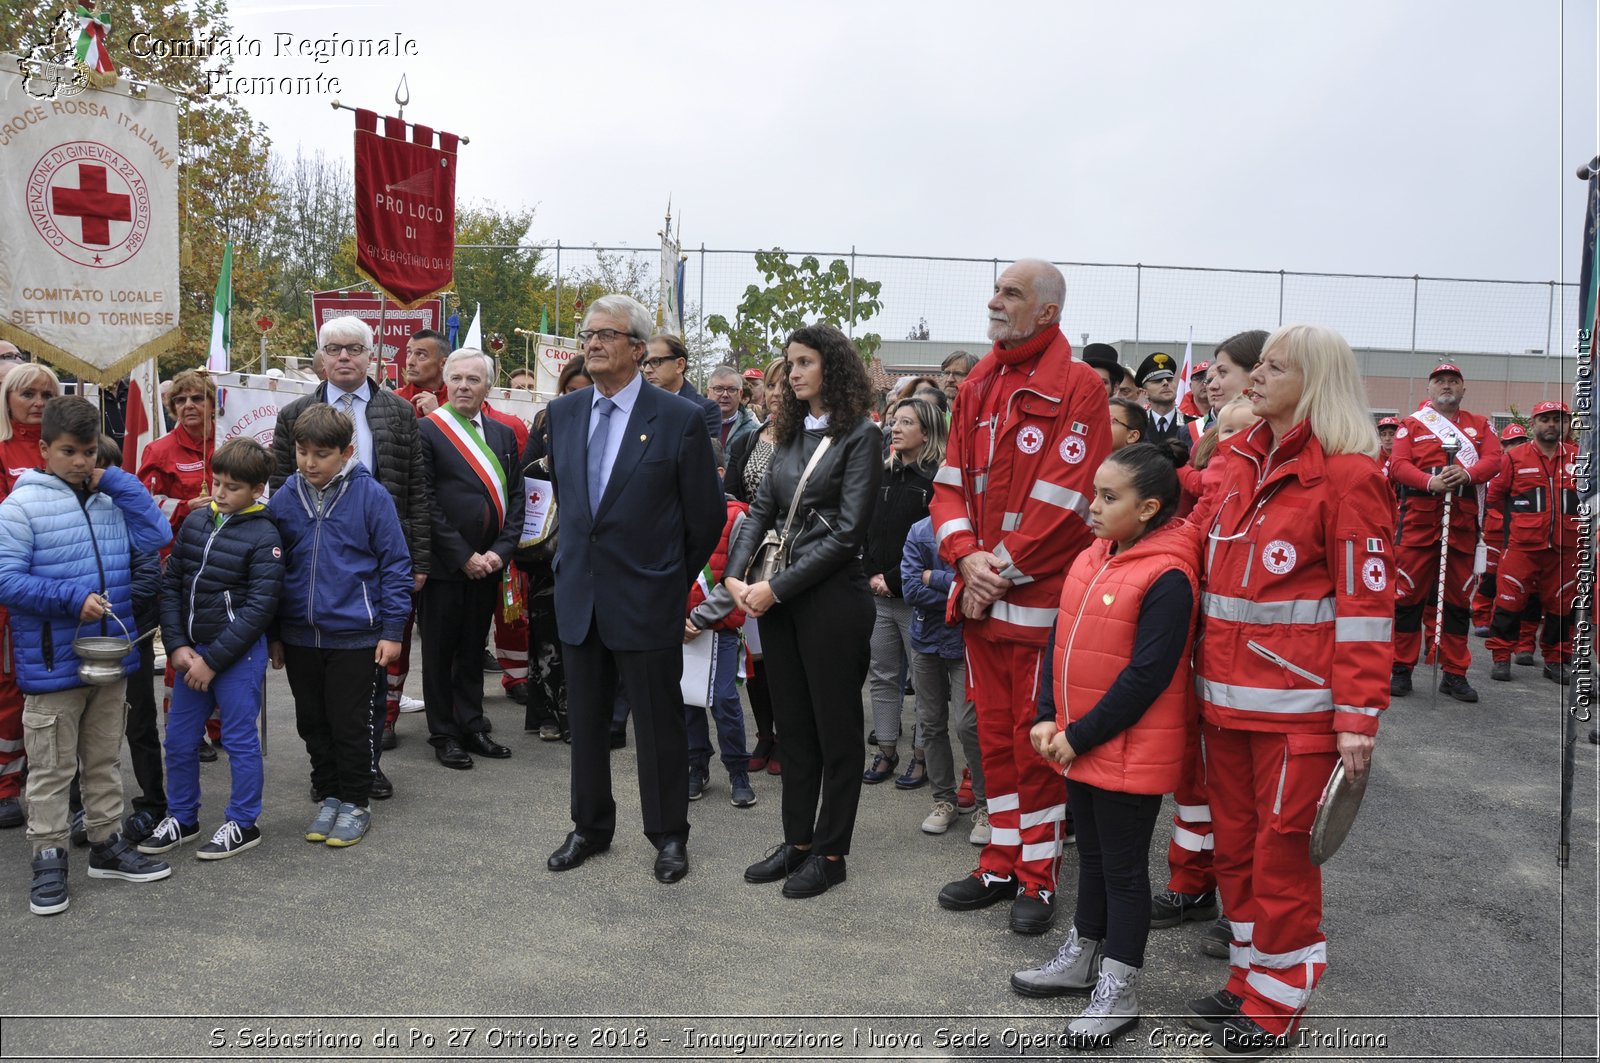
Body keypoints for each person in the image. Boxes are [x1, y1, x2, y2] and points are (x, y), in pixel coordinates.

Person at [1185, 324, 1392, 1057]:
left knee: (1281, 856)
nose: (1254, 376)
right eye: (1259, 363)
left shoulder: (1350, 476)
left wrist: (1358, 717)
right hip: (1223, 701)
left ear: (1316, 381)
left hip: (1298, 713)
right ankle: (1250, 977)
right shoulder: (1236, 458)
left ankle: (1281, 998)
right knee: (1234, 849)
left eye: (1275, 366)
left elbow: (1367, 607)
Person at [929, 258, 1110, 935]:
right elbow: (948, 484)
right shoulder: (980, 382)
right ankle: (1000, 861)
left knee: (1036, 745)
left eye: (1012, 293)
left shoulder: (1081, 388)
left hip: (1033, 606)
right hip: (983, 602)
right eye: (997, 290)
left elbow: (1063, 503)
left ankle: (1038, 874)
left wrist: (989, 569)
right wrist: (965, 557)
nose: (996, 301)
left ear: (1048, 312)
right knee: (995, 744)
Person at [1011, 443, 1199, 1050]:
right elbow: (1059, 641)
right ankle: (1082, 955)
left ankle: (1120, 988)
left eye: (1108, 497)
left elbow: (1148, 676)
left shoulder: (1168, 575)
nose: (1092, 506)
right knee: (1092, 857)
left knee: (1122, 871)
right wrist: (1047, 715)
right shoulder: (1094, 555)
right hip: (1077, 741)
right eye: (1094, 492)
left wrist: (1076, 736)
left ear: (1147, 508)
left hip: (1122, 749)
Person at [543, 294, 723, 885]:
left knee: (658, 724)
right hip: (580, 598)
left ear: (639, 349)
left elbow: (705, 517)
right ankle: (590, 827)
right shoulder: (564, 413)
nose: (591, 343)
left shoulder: (677, 419)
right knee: (587, 724)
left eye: (606, 335)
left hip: (646, 598)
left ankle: (669, 835)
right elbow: (573, 507)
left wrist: (666, 577)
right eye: (587, 334)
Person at [724, 322, 881, 899]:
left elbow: (845, 534)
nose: (793, 372)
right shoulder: (789, 433)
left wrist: (776, 589)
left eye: (806, 361)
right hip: (780, 599)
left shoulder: (861, 435)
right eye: (790, 362)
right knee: (792, 729)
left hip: (832, 602)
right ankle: (797, 843)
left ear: (832, 368)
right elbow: (761, 507)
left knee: (836, 732)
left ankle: (832, 852)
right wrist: (736, 575)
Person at [0, 397, 173, 915]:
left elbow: (158, 534)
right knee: (52, 767)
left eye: (88, 451)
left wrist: (116, 481)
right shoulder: (19, 506)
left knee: (102, 758)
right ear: (45, 449)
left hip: (109, 655)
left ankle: (104, 843)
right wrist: (71, 600)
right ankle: (48, 853)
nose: (78, 461)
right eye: (68, 451)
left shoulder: (108, 498)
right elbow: (6, 579)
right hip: (53, 660)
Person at [271, 316, 431, 801]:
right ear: (321, 358)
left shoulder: (398, 412)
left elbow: (416, 491)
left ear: (370, 355)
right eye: (334, 349)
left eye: (354, 348)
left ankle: (366, 768)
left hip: (378, 567)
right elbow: (282, 491)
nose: (344, 357)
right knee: (319, 705)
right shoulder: (295, 413)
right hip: (311, 590)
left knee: (365, 687)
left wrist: (418, 558)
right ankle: (332, 776)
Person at [268, 405, 411, 848]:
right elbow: (269, 570)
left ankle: (355, 801)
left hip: (356, 635)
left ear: (347, 451)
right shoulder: (285, 497)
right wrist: (274, 633)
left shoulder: (372, 496)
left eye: (322, 454)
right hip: (298, 635)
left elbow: (395, 565)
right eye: (302, 451)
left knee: (350, 723)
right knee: (312, 721)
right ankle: (329, 793)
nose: (309, 462)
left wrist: (391, 631)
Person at [142, 439, 282, 860]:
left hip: (238, 655)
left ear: (258, 490)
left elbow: (260, 607)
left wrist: (212, 660)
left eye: (233, 487)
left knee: (240, 741)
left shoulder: (265, 534)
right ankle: (182, 817)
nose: (220, 493)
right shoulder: (197, 521)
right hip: (191, 652)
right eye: (216, 482)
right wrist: (177, 645)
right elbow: (172, 585)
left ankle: (243, 822)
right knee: (180, 740)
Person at [416, 349, 526, 769]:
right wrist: (462, 555)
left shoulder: (500, 434)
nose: (464, 386)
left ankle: (472, 723)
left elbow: (516, 499)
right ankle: (444, 732)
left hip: (489, 567)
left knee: (472, 647)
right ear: (446, 383)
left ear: (488, 387)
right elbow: (424, 501)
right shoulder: (427, 430)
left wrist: (500, 553)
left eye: (473, 380)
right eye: (457, 378)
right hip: (447, 567)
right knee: (440, 652)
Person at [1387, 362, 1504, 702]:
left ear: (1463, 389)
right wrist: (1429, 480)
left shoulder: (1481, 425)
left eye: (1453, 381)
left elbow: (1494, 460)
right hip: (1417, 527)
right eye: (1440, 381)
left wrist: (1466, 476)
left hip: (1463, 526)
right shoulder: (1410, 425)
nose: (1447, 386)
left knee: (1456, 603)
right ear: (1429, 389)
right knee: (1406, 599)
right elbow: (1397, 466)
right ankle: (1400, 667)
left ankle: (1454, 673)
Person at [862, 398, 944, 789]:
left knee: (925, 683)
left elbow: (936, 544)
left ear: (926, 433)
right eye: (894, 421)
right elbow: (865, 529)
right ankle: (887, 749)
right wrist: (871, 575)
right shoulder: (881, 474)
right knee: (882, 675)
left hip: (916, 601)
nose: (895, 428)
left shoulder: (936, 483)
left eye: (906, 423)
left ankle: (921, 755)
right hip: (878, 598)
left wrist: (893, 579)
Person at [380, 327, 450, 742]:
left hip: (449, 542)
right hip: (405, 536)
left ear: (443, 361)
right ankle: (386, 714)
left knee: (445, 636)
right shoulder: (391, 402)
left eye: (421, 354)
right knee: (397, 628)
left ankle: (451, 717)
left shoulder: (457, 403)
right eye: (409, 352)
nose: (411, 360)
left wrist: (438, 413)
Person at [518, 355, 593, 741]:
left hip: (589, 550)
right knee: (546, 632)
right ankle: (546, 712)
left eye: (584, 391)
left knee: (581, 637)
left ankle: (577, 715)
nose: (575, 398)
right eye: (569, 391)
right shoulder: (547, 419)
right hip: (546, 550)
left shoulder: (607, 424)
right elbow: (527, 472)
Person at [0, 363, 61, 830]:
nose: (37, 402)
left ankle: (51, 780)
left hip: (59, 585)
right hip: (13, 591)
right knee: (9, 691)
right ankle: (6, 785)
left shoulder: (62, 447)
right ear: (7, 397)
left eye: (46, 394)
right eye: (27, 394)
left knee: (49, 687)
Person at [901, 514, 986, 839]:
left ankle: (986, 806)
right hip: (926, 641)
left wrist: (931, 577)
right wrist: (957, 588)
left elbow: (984, 588)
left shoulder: (980, 530)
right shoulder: (919, 530)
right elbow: (909, 588)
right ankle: (943, 801)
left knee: (970, 725)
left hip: (968, 640)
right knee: (931, 722)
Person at [683, 440, 756, 808]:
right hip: (680, 628)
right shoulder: (673, 510)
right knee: (687, 700)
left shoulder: (738, 516)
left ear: (720, 473)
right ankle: (696, 764)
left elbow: (735, 578)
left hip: (720, 626)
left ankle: (737, 769)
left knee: (725, 700)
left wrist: (697, 617)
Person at [724, 357, 788, 775]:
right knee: (757, 655)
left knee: (785, 652)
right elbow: (730, 493)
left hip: (791, 558)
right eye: (771, 385)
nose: (777, 393)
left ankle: (788, 735)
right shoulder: (751, 438)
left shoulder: (811, 440)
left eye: (785, 385)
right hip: (752, 556)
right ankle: (765, 733)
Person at [1485, 401, 1578, 685]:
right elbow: (1494, 499)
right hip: (1522, 548)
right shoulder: (1514, 458)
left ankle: (1555, 660)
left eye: (1558, 419)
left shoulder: (1580, 458)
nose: (1551, 425)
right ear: (1534, 424)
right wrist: (1513, 530)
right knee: (1509, 602)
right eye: (1545, 419)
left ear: (1566, 424)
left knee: (1562, 607)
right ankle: (1501, 657)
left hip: (1565, 548)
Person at [641, 332, 721, 440]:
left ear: (680, 365)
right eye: (644, 363)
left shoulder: (706, 410)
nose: (647, 370)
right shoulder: (638, 406)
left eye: (655, 361)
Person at [1135, 352, 1189, 455]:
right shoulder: (1136, 424)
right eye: (1157, 380)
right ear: (1144, 393)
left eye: (1169, 379)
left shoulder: (1191, 424)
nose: (1165, 383)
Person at [707, 365, 757, 451]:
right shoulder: (695, 426)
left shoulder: (754, 432)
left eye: (732, 389)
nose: (725, 395)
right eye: (718, 389)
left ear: (740, 394)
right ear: (708, 393)